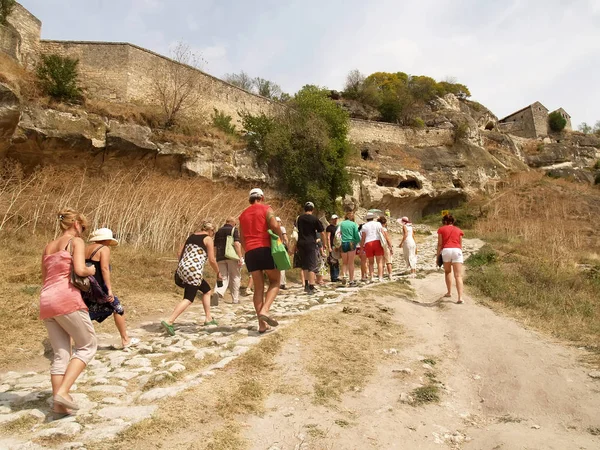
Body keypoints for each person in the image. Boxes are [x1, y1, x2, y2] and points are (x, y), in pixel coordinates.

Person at [40, 208, 97, 415]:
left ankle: (58, 405)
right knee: (88, 346)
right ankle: (63, 392)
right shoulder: (76, 242)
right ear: (75, 224)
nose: (82, 231)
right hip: (66, 299)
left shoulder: (48, 247)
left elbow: (45, 276)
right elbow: (81, 270)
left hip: (46, 300)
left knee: (61, 354)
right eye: (82, 227)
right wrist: (92, 270)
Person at [162, 222, 222, 335]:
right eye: (213, 232)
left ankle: (208, 318)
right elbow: (212, 260)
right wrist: (218, 272)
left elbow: (179, 252)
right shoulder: (208, 239)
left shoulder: (191, 236)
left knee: (207, 290)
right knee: (189, 298)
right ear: (211, 230)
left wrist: (182, 265)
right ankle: (169, 321)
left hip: (182, 267)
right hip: (194, 270)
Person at [84, 228, 139, 349]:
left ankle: (70, 346)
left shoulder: (85, 249)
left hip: (85, 287)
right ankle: (125, 339)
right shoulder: (104, 249)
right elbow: (104, 269)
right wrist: (109, 289)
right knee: (117, 307)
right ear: (107, 240)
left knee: (83, 313)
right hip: (98, 287)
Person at [239, 188, 284, 333]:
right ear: (262, 198)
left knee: (258, 288)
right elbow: (275, 225)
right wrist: (280, 239)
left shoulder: (242, 215)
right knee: (275, 281)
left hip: (250, 252)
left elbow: (241, 238)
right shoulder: (266, 209)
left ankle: (262, 325)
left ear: (249, 199)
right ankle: (265, 310)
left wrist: (248, 251)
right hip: (265, 248)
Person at [296, 202, 326, 294]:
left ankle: (305, 285)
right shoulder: (314, 219)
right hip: (310, 243)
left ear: (304, 209)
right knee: (312, 265)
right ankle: (311, 286)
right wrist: (324, 244)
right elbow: (322, 231)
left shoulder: (299, 218)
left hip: (301, 242)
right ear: (312, 209)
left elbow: (297, 230)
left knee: (304, 265)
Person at [213, 218, 243, 304]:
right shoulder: (234, 230)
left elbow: (215, 246)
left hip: (220, 257)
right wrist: (240, 256)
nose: (235, 225)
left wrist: (215, 256)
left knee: (222, 276)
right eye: (235, 223)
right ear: (232, 222)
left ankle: (218, 292)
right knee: (235, 277)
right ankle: (235, 299)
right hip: (232, 256)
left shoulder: (218, 231)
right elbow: (237, 244)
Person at [436, 214, 465, 304]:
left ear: (444, 221)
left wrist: (437, 256)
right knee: (458, 275)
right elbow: (460, 244)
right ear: (453, 221)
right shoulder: (459, 230)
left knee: (448, 272)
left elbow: (440, 244)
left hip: (446, 250)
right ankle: (460, 297)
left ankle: (449, 292)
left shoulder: (441, 229)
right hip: (457, 250)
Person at [359, 212, 385, 282]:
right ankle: (380, 277)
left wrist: (361, 248)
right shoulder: (378, 224)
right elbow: (382, 233)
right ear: (373, 218)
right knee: (379, 261)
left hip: (368, 243)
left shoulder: (364, 226)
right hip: (377, 241)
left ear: (367, 219)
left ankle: (372, 277)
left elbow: (363, 238)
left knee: (371, 262)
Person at [339, 211, 360, 286]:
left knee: (344, 262)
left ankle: (344, 275)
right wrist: (357, 241)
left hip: (343, 243)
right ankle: (351, 280)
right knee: (351, 263)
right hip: (351, 242)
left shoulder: (342, 224)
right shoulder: (353, 224)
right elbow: (356, 235)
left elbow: (339, 233)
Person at [325, 214, 340, 282]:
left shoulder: (338, 227)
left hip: (337, 245)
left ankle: (336, 275)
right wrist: (329, 247)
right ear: (332, 219)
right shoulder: (329, 227)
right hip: (332, 245)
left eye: (336, 219)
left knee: (336, 261)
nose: (335, 220)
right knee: (332, 261)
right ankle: (333, 277)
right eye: (334, 219)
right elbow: (328, 237)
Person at [276, 217, 289, 290]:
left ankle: (277, 282)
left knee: (276, 266)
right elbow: (285, 238)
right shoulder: (282, 228)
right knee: (282, 266)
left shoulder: (271, 229)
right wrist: (287, 247)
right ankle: (282, 283)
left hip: (274, 248)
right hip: (281, 248)